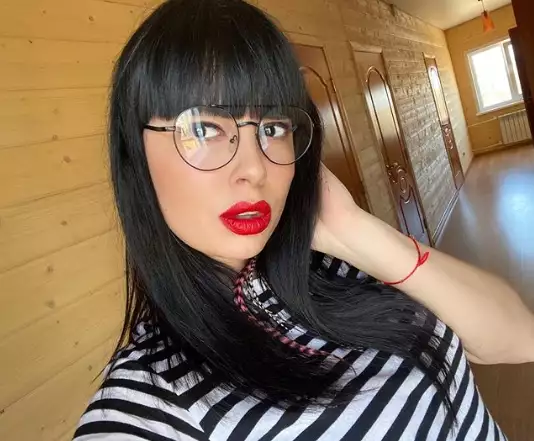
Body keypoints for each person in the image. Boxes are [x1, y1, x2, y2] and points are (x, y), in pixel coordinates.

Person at [72, 0, 534, 439]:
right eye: (204, 128)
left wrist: (354, 230)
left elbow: (518, 337)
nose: (255, 168)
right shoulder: (148, 400)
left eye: (272, 128)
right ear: (136, 157)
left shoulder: (339, 268)